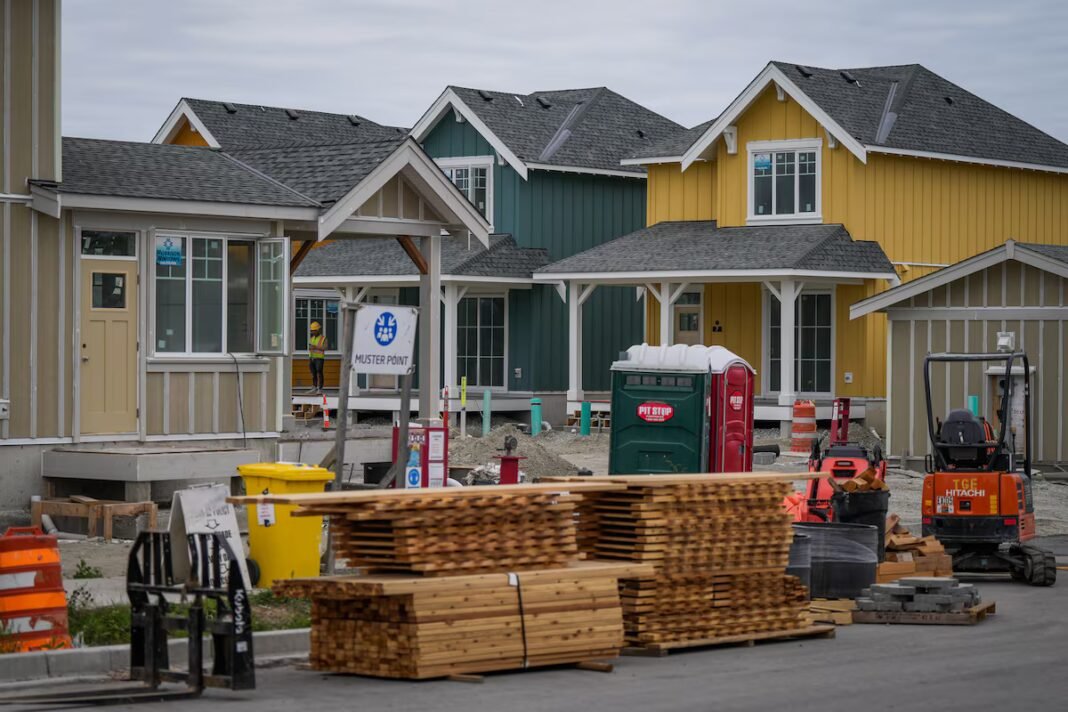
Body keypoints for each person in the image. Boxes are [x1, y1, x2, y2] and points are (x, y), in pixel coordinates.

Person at [308, 321, 328, 394]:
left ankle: (320, 388)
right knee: (313, 373)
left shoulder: (323, 338)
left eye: (314, 330)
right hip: (312, 358)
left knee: (319, 372)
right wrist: (310, 348)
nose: (312, 332)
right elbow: (310, 347)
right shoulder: (312, 338)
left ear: (318, 330)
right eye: (312, 331)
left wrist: (315, 347)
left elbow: (325, 347)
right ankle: (314, 386)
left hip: (319, 359)